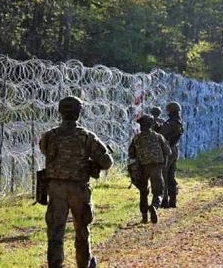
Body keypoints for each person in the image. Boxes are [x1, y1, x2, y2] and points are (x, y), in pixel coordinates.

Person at [39, 96, 113, 268]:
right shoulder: (86, 136)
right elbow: (107, 162)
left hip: (55, 188)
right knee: (82, 230)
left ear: (60, 112)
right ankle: (84, 264)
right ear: (79, 112)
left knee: (55, 232)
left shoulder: (50, 136)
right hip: (79, 189)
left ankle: (55, 265)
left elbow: (44, 150)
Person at [128, 114, 171, 223]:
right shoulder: (158, 136)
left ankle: (144, 217)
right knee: (158, 191)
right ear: (151, 125)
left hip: (142, 167)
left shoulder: (136, 138)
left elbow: (131, 154)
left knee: (143, 192)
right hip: (156, 166)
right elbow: (168, 151)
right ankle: (154, 207)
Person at [159, 102, 184, 208]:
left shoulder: (172, 123)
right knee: (171, 175)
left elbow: (161, 133)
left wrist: (158, 125)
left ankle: (164, 201)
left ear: (171, 112)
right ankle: (173, 200)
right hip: (174, 150)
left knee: (164, 175)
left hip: (168, 151)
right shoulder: (178, 122)